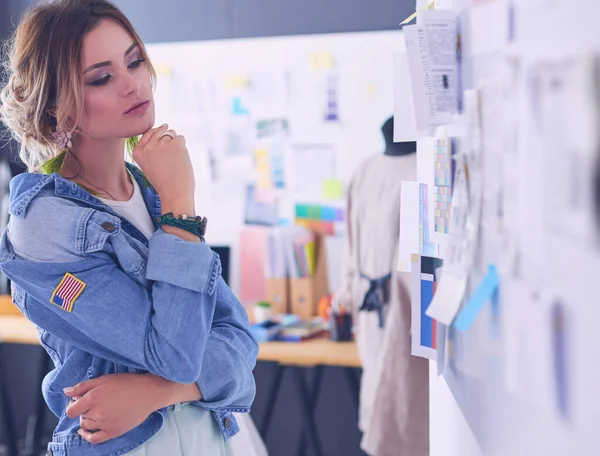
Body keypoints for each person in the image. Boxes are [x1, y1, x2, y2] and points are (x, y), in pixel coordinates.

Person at [0, 1, 258, 455]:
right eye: (101, 77)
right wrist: (182, 208)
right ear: (58, 106)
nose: (132, 84)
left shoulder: (152, 190)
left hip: (209, 440)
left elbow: (239, 345)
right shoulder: (44, 222)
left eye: (134, 61)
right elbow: (177, 354)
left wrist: (160, 392)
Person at [335, 117, 429, 456]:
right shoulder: (365, 171)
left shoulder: (425, 170)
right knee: (378, 400)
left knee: (406, 411)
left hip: (408, 314)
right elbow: (351, 247)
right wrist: (345, 297)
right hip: (371, 312)